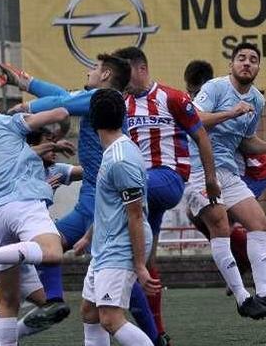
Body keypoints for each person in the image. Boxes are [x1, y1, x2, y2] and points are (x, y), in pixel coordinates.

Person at [0, 56, 164, 343]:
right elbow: (63, 97)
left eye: (94, 68)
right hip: (93, 199)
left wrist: (27, 108)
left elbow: (62, 103)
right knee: (83, 295)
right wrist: (25, 82)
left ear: (106, 75)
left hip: (104, 206)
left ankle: (154, 336)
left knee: (113, 306)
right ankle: (53, 300)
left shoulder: (105, 98)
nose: (88, 71)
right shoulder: (98, 100)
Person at [185, 43, 266, 319]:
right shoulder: (214, 88)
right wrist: (231, 112)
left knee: (259, 223)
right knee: (220, 225)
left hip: (228, 170)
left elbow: (246, 141)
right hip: (197, 168)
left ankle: (265, 292)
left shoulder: (257, 101)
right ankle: (242, 297)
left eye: (253, 59)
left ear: (258, 67)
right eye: (241, 58)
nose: (247, 63)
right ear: (231, 65)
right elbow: (195, 120)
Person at [113, 46, 218, 342]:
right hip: (143, 192)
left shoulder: (172, 97)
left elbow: (200, 135)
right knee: (145, 262)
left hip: (167, 180)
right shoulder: (124, 103)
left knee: (118, 249)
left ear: (141, 68)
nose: (121, 79)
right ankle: (157, 333)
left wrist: (210, 179)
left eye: (125, 72)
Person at [0, 86, 69, 346]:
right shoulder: (7, 124)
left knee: (7, 304)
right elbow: (61, 112)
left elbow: (19, 156)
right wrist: (31, 113)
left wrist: (50, 144)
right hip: (22, 202)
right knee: (53, 251)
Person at [0, 124, 82, 343]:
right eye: (48, 142)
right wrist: (41, 187)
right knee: (4, 305)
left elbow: (87, 171)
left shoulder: (55, 170)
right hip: (1, 249)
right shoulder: (17, 167)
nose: (53, 149)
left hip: (26, 254)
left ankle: (14, 334)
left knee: (54, 309)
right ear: (32, 146)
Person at [183, 60, 266, 290]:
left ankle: (257, 272)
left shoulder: (228, 101)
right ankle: (242, 267)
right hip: (223, 170)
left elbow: (242, 142)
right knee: (199, 215)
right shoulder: (209, 102)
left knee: (223, 221)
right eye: (190, 92)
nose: (193, 97)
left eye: (196, 92)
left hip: (249, 172)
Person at [80, 88, 159, 346]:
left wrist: (139, 265)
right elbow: (110, 206)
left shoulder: (120, 159)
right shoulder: (116, 151)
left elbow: (135, 215)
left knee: (110, 318)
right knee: (90, 313)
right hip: (105, 244)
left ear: (91, 120)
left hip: (120, 246)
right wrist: (88, 236)